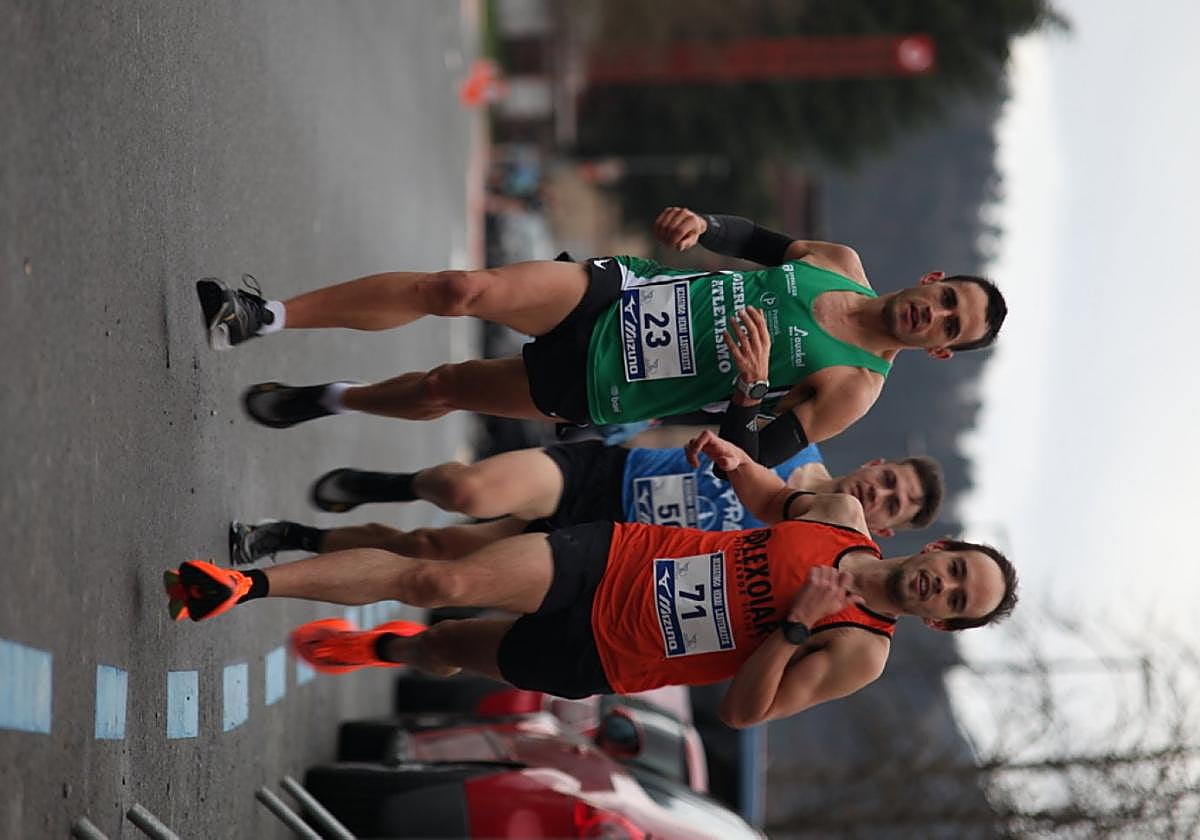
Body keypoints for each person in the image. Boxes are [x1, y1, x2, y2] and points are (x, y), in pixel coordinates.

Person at [163, 434, 1017, 725]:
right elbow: (769, 497)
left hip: (608, 658)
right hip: (613, 559)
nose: (941, 587)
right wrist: (734, 458)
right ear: (942, 548)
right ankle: (246, 586)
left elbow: (743, 710)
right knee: (438, 578)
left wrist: (796, 626)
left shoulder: (858, 652)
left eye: (956, 601)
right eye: (955, 572)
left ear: (940, 623)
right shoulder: (841, 515)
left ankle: (392, 649)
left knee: (451, 645)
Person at [197, 206, 1006, 465]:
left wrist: (750, 385)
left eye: (948, 330)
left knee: (444, 390)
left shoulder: (855, 389)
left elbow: (749, 454)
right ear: (932, 282)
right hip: (616, 298)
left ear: (939, 351)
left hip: (610, 385)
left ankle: (329, 399)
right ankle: (263, 315)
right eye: (945, 302)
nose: (931, 316)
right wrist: (702, 225)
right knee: (460, 290)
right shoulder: (839, 261)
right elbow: (752, 241)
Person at [227, 439, 944, 565]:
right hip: (604, 479)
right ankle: (396, 483)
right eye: (889, 480)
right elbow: (711, 401)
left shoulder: (821, 552)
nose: (879, 493)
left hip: (606, 550)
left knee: (429, 551)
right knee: (464, 490)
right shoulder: (796, 442)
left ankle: (294, 536)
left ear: (884, 527)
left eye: (894, 505)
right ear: (875, 465)